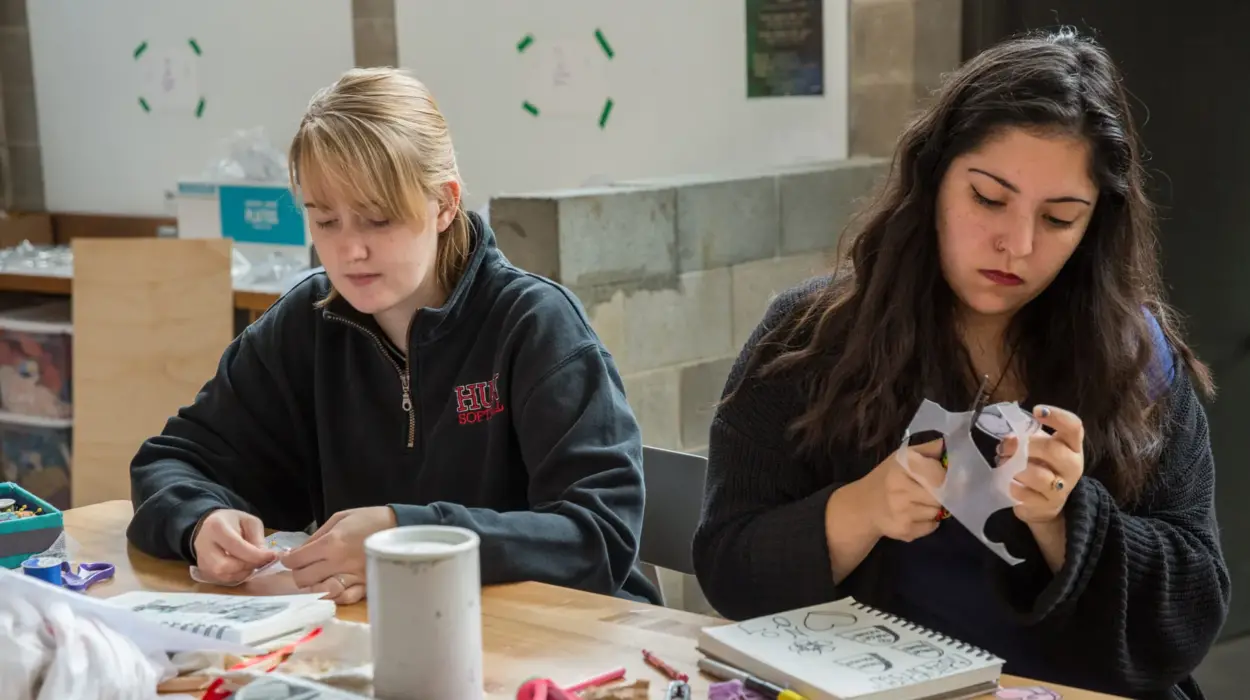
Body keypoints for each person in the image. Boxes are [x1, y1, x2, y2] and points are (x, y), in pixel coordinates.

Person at [692, 28, 1228, 700]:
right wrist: (859, 510)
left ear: (1096, 226)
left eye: (1060, 218)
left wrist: (1067, 521)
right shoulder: (813, 338)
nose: (1018, 245)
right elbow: (725, 567)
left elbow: (1192, 615)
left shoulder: (1138, 362)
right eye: (989, 199)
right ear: (934, 176)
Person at [127, 67, 660, 606]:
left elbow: (599, 535)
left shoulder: (535, 325)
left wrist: (406, 536)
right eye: (325, 221)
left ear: (445, 204)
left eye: (377, 220)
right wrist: (199, 521)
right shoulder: (307, 324)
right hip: (396, 629)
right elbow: (172, 460)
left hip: (568, 641)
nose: (349, 250)